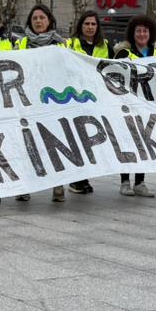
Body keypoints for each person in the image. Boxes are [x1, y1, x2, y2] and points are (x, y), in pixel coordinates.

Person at [16, 5, 66, 204]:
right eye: (35, 18)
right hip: (28, 101)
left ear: (49, 21)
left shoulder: (61, 45)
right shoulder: (20, 44)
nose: (38, 21)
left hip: (53, 100)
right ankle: (25, 186)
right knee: (28, 142)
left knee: (55, 142)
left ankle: (59, 184)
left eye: (42, 18)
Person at [63, 10, 109, 195]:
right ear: (80, 26)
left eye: (93, 24)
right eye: (87, 24)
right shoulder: (70, 44)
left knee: (89, 141)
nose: (90, 27)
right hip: (74, 98)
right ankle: (77, 180)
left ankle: (84, 178)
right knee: (77, 139)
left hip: (94, 98)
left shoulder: (104, 46)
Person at [119, 14, 156, 198]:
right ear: (132, 33)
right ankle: (125, 181)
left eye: (145, 30)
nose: (142, 34)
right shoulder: (123, 53)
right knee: (127, 142)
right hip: (127, 105)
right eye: (138, 31)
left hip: (148, 107)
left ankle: (140, 181)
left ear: (150, 33)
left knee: (144, 143)